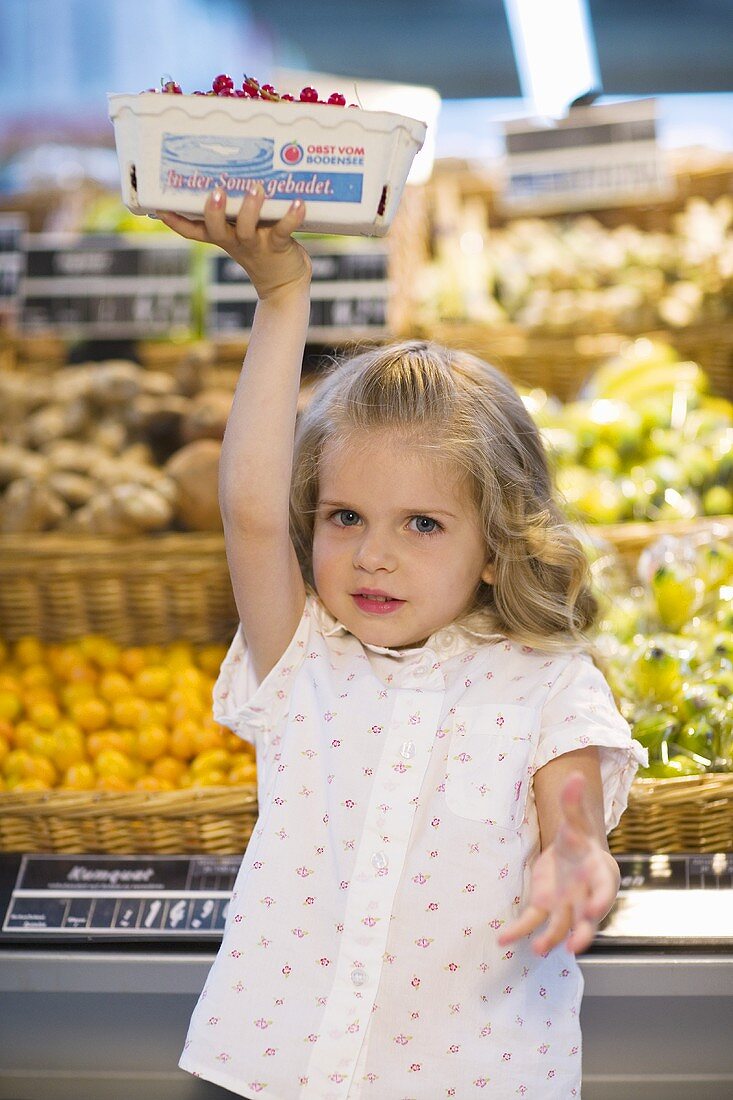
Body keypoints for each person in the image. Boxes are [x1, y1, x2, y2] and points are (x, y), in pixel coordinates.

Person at [159, 183, 646, 1099]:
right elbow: (251, 513)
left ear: (498, 547)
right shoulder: (304, 654)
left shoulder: (546, 683)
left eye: (421, 525)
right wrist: (280, 298)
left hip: (468, 1078)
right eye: (345, 516)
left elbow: (571, 802)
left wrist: (576, 854)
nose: (372, 556)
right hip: (277, 1072)